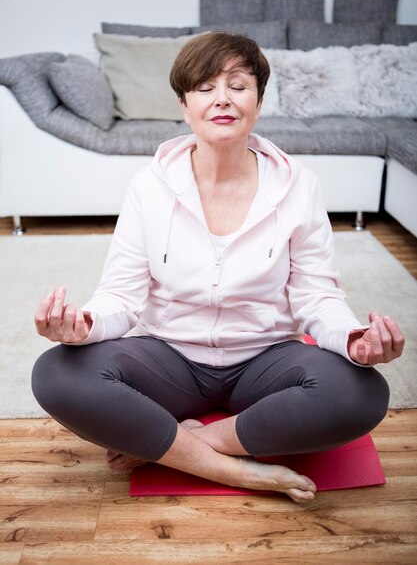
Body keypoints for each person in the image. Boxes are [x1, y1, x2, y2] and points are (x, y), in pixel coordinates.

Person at [32, 32, 404, 504]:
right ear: (185, 106)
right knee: (55, 374)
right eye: (205, 87)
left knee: (362, 393)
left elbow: (317, 296)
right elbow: (121, 297)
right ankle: (241, 472)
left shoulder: (299, 186)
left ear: (259, 101)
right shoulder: (149, 187)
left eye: (238, 85)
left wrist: (354, 339)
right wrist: (82, 325)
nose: (222, 99)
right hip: (169, 360)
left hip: (264, 360)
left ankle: (192, 446)